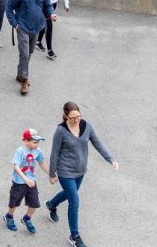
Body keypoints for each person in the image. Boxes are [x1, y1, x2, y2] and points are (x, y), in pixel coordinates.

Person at [46, 103, 118, 247]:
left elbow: (98, 143)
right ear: (66, 116)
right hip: (65, 171)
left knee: (69, 194)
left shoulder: (86, 126)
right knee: (75, 201)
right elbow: (54, 153)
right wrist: (52, 173)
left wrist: (111, 159)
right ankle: (74, 236)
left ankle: (51, 204)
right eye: (73, 118)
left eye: (78, 116)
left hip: (80, 170)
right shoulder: (60, 131)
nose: (76, 120)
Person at [6, 0, 56, 96]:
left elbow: (47, 5)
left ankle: (20, 73)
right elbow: (8, 8)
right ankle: (24, 80)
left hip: (37, 27)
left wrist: (51, 14)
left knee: (29, 53)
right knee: (24, 53)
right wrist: (15, 24)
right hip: (22, 27)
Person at [6, 128, 50, 235]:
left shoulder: (38, 151)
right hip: (19, 182)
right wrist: (25, 179)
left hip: (31, 181)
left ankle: (27, 218)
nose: (37, 144)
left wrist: (51, 174)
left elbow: (41, 164)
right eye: (34, 142)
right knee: (14, 203)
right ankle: (9, 216)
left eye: (38, 142)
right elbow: (16, 166)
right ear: (26, 141)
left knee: (34, 203)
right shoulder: (20, 151)